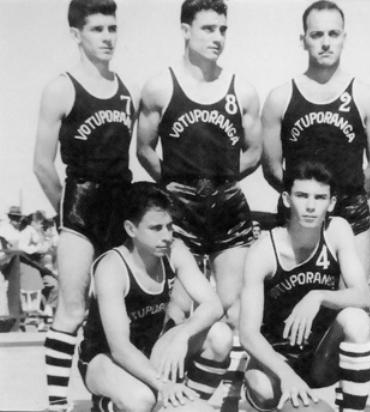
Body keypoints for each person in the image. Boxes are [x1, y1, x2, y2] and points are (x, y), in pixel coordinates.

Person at [136, 2, 261, 409]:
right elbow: (145, 150)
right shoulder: (160, 87)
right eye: (208, 28)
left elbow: (255, 151)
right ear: (185, 30)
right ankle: (165, 388)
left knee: (227, 305)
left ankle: (216, 394)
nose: (217, 38)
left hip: (226, 206)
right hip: (180, 207)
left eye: (223, 29)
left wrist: (219, 181)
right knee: (180, 303)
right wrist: (180, 185)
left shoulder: (241, 90)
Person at [32, 1, 135, 409]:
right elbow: (42, 165)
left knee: (116, 311)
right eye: (97, 29)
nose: (108, 37)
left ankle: (105, 395)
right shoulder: (62, 87)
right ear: (77, 34)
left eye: (112, 28)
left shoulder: (125, 88)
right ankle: (58, 404)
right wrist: (68, 216)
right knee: (72, 310)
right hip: (81, 205)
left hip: (120, 204)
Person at [77, 182, 231, 412]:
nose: (167, 236)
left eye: (170, 227)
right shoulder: (112, 267)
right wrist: (165, 385)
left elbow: (213, 305)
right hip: (105, 358)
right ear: (131, 229)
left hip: (152, 351)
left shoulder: (175, 250)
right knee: (141, 399)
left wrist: (183, 335)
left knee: (220, 335)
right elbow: (119, 347)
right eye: (156, 228)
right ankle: (107, 406)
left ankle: (184, 401)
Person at [261, 0, 370, 275]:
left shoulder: (366, 96)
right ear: (303, 40)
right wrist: (306, 203)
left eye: (333, 34)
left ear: (344, 38)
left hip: (351, 213)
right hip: (298, 215)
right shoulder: (280, 98)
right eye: (317, 34)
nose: (326, 43)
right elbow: (271, 168)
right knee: (290, 302)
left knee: (353, 307)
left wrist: (344, 201)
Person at [240, 161, 370, 412]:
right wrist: (286, 376)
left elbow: (364, 296)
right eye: (302, 196)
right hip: (277, 356)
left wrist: (318, 296)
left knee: (357, 320)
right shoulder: (264, 251)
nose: (311, 206)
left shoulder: (337, 230)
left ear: (331, 203)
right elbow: (248, 333)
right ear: (287, 199)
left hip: (320, 356)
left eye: (320, 197)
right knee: (263, 388)